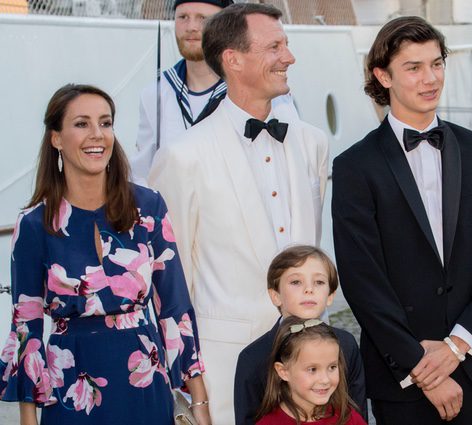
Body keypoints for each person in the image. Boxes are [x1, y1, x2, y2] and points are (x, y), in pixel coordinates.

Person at [331, 16, 472, 424]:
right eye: (413, 68)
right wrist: (423, 367)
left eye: (437, 64)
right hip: (401, 375)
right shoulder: (354, 166)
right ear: (383, 75)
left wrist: (457, 345)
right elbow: (362, 279)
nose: (430, 78)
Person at [149, 4, 329, 424]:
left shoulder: (313, 144)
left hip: (309, 372)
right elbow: (169, 285)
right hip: (222, 374)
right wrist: (190, 389)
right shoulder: (181, 157)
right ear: (233, 59)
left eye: (286, 45)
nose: (289, 57)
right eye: (275, 47)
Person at [0, 84, 209, 425]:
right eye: (81, 124)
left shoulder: (148, 206)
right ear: (56, 138)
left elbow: (173, 307)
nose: (97, 135)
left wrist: (199, 401)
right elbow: (27, 327)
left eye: (106, 123)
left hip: (145, 382)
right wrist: (28, 418)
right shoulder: (34, 224)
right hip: (70, 389)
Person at [130, 0, 298, 185]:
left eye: (203, 18)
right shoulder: (156, 94)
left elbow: (291, 168)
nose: (191, 27)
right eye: (183, 17)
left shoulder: (268, 95)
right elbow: (142, 175)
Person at [234, 246, 366, 425]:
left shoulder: (346, 344)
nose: (309, 289)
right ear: (276, 295)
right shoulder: (253, 357)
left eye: (319, 282)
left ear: (330, 295)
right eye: (296, 282)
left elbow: (358, 409)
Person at [254, 316, 367, 425]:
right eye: (312, 369)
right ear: (283, 371)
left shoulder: (349, 418)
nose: (325, 379)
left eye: (332, 367)